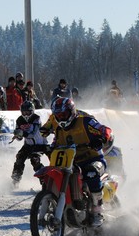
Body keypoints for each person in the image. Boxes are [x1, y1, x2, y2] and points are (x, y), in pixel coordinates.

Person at [44, 96, 111, 227]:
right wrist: (48, 149)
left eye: (64, 114)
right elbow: (56, 142)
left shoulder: (85, 121)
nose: (61, 117)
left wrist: (101, 139)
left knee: (91, 173)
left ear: (71, 111)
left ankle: (98, 211)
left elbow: (106, 130)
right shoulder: (58, 126)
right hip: (71, 162)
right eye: (58, 115)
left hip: (93, 159)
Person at [11, 100, 48, 185]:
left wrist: (22, 133)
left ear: (32, 111)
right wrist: (17, 135)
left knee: (34, 160)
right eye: (24, 112)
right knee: (19, 158)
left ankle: (44, 179)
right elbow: (20, 139)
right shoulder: (19, 120)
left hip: (39, 144)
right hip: (28, 145)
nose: (26, 114)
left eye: (28, 112)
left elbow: (32, 134)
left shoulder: (36, 118)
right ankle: (15, 180)